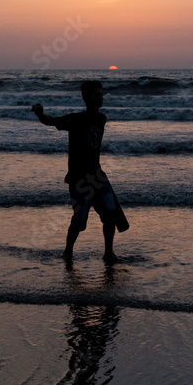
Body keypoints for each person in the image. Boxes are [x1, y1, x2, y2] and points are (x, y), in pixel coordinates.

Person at [32, 80, 126, 263]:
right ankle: (68, 251)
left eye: (101, 94)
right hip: (78, 179)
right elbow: (52, 122)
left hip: (98, 175)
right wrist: (40, 114)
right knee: (80, 221)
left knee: (110, 215)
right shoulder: (75, 119)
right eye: (95, 95)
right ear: (85, 97)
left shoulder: (102, 119)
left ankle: (108, 252)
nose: (100, 98)